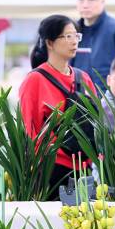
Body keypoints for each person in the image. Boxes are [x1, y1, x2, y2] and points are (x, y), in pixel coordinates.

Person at [19, 15, 96, 200]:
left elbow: (94, 121)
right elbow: (30, 130)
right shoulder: (34, 80)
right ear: (50, 43)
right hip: (51, 170)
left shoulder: (83, 78)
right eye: (67, 36)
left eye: (76, 36)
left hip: (83, 168)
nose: (73, 41)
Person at [71, 0, 115, 91]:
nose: (85, 5)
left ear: (103, 1)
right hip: (76, 101)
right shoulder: (71, 32)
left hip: (107, 104)